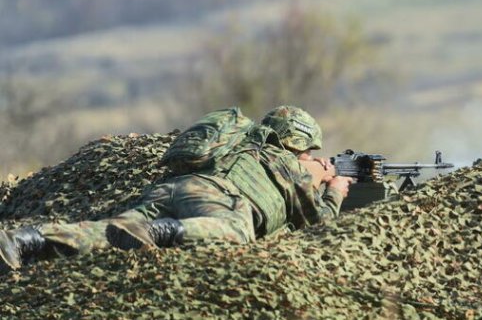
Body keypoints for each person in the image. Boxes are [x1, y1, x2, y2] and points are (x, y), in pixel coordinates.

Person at [0, 106, 353, 273]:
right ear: (298, 143)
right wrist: (333, 187)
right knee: (236, 229)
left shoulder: (240, 141)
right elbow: (319, 224)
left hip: (172, 189)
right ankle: (157, 232)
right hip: (216, 201)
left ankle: (26, 241)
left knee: (107, 232)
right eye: (308, 151)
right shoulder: (289, 164)